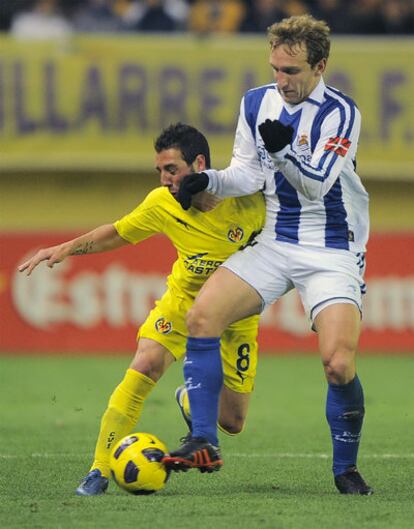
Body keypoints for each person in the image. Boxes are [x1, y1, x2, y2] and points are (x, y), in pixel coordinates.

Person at [163, 15, 373, 496]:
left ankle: (346, 469)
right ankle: (204, 440)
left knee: (338, 365)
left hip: (332, 246)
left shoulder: (342, 113)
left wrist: (281, 154)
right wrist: (207, 181)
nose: (282, 80)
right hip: (276, 240)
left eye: (293, 71)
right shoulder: (256, 102)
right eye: (276, 68)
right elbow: (246, 174)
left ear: (319, 67)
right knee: (202, 317)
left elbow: (317, 185)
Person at [18, 123, 265, 495]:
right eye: (160, 171)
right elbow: (117, 232)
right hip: (185, 301)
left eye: (172, 170)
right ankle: (99, 469)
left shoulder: (249, 200)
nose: (165, 180)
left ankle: (190, 397)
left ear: (199, 164)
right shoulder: (161, 203)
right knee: (144, 365)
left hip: (238, 313)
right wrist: (67, 248)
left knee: (232, 421)